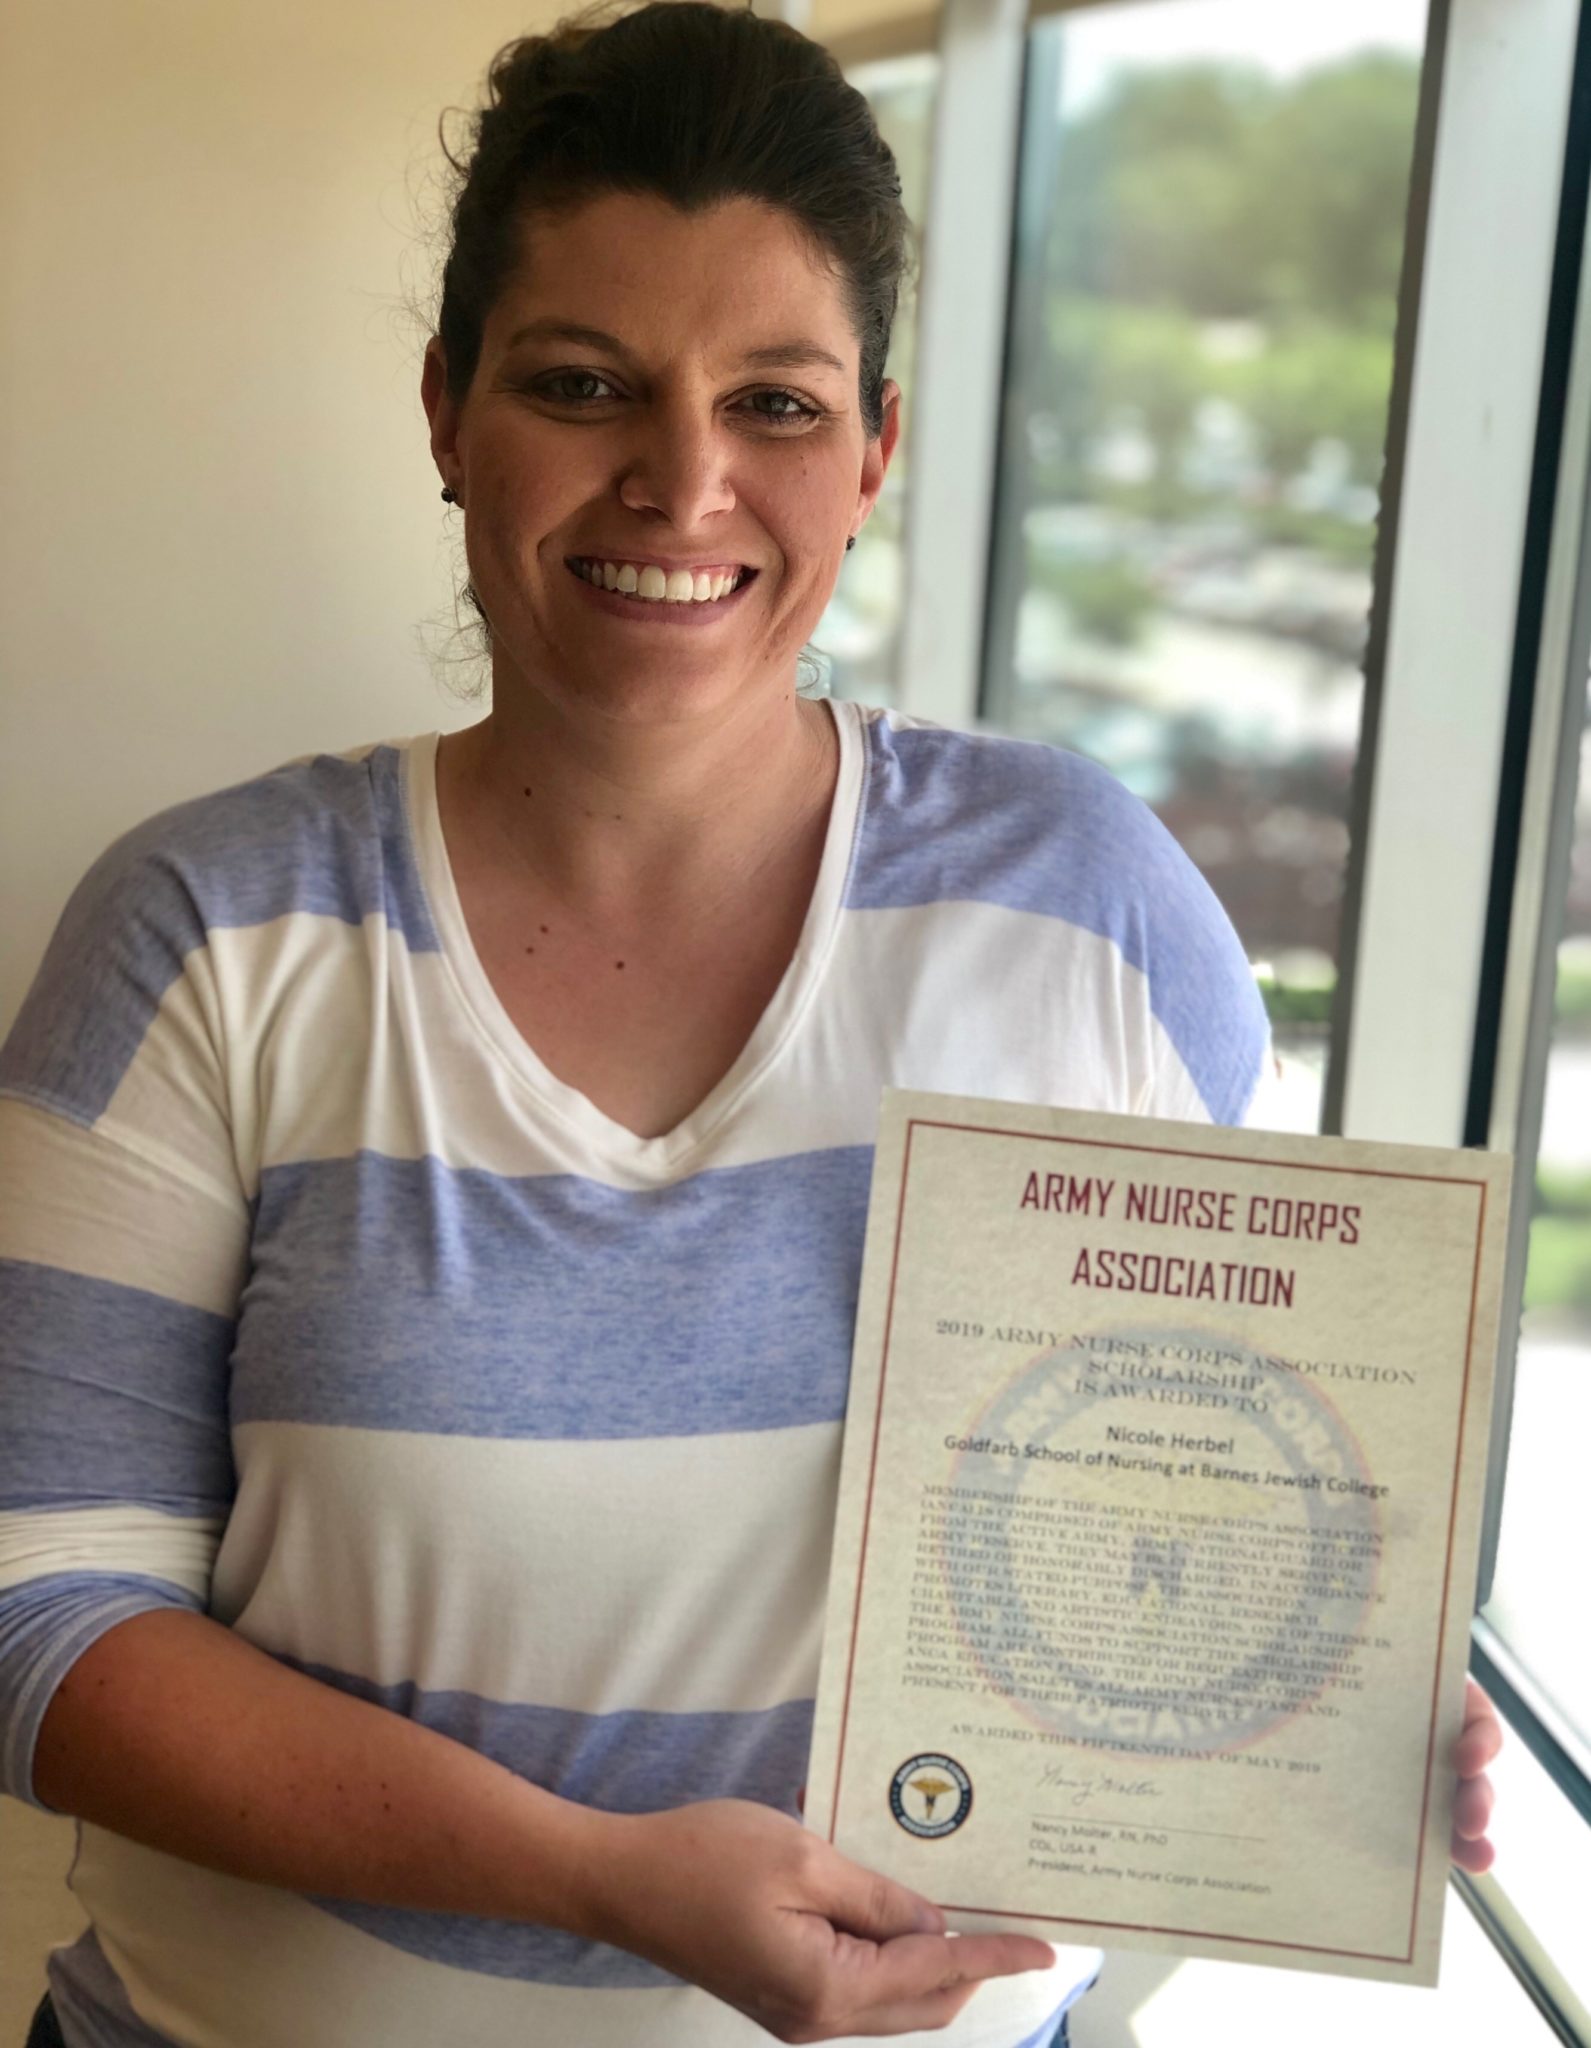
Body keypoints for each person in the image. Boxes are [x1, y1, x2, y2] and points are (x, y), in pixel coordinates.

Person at [0, 5, 1501, 2045]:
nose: (682, 478)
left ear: (876, 447)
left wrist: (1331, 1679)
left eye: (775, 403)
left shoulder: (1082, 909)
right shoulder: (207, 930)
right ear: (446, 410)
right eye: (580, 382)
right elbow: (39, 1619)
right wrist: (596, 1878)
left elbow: (1215, 1484)